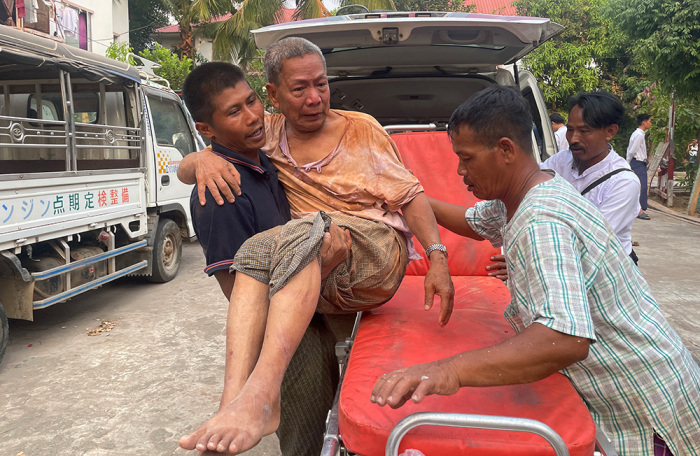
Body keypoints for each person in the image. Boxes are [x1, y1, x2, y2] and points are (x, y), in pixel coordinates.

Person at [371, 86, 700, 456]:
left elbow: (564, 338)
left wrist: (448, 371)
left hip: (643, 403)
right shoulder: (522, 194)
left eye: (467, 158)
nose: (460, 170)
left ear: (506, 150)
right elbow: (470, 221)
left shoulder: (541, 219)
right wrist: (407, 197)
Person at [178, 37, 454, 455]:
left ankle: (259, 395)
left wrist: (437, 257)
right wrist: (199, 159)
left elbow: (411, 195)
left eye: (321, 84)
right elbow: (202, 160)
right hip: (317, 276)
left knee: (301, 230)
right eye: (299, 88)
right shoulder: (265, 138)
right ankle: (236, 402)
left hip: (374, 248)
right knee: (260, 253)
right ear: (275, 95)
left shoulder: (360, 129)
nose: (314, 98)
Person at [179, 61, 352, 456]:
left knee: (326, 422)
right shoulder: (220, 193)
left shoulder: (265, 159)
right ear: (207, 129)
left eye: (251, 101)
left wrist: (195, 158)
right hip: (282, 336)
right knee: (305, 438)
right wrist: (321, 266)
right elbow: (238, 292)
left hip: (310, 317)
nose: (253, 116)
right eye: (234, 111)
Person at [627, 113, 653, 220]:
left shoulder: (639, 134)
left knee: (639, 186)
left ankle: (637, 209)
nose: (650, 123)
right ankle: (639, 210)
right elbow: (632, 150)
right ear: (644, 122)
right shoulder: (639, 135)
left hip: (639, 163)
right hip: (637, 163)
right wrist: (628, 162)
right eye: (649, 121)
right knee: (641, 187)